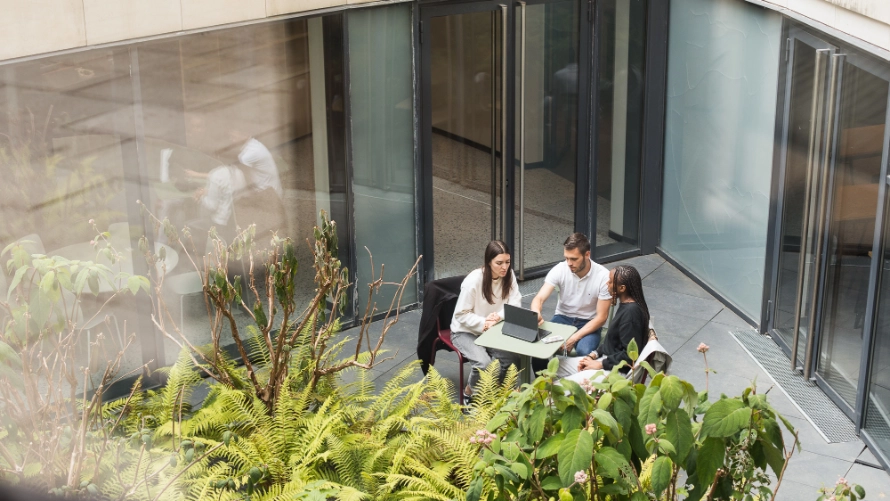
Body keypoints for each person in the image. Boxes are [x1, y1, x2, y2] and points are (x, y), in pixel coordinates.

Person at [450, 240, 522, 402]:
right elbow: (460, 315)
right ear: (488, 262)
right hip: (465, 331)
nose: (504, 267)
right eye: (499, 263)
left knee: (512, 359)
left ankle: (498, 393)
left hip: (493, 328)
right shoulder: (474, 280)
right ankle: (470, 392)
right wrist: (484, 323)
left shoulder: (509, 276)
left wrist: (498, 316)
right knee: (485, 364)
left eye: (507, 262)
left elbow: (515, 303)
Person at [559, 265, 650, 378]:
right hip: (606, 360)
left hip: (614, 371)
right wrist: (593, 355)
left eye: (611, 281)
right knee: (556, 365)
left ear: (622, 288)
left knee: (558, 384)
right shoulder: (626, 306)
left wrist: (600, 364)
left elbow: (630, 355)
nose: (607, 284)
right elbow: (612, 341)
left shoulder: (631, 314)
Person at [530, 233, 611, 359]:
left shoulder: (603, 276)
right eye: (566, 258)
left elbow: (601, 318)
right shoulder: (560, 269)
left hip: (589, 322)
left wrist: (573, 338)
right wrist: (536, 312)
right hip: (562, 318)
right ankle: (544, 379)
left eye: (574, 259)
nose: (569, 263)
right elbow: (539, 298)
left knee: (584, 352)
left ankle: (578, 378)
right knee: (539, 348)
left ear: (587, 255)